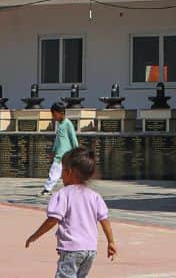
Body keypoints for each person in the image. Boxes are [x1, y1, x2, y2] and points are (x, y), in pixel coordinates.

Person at [25, 146, 118, 277]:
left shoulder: (63, 194)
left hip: (72, 249)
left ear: (69, 172)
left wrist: (35, 236)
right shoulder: (94, 196)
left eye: (62, 170)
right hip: (90, 250)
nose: (61, 175)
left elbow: (52, 220)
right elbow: (104, 220)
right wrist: (111, 242)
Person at [42, 103, 79, 196]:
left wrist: (77, 151)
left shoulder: (68, 124)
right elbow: (58, 139)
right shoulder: (59, 124)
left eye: (55, 115)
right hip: (59, 153)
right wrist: (53, 150)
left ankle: (47, 189)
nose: (54, 117)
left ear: (62, 113)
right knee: (62, 172)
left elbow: (73, 138)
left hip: (64, 154)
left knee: (55, 171)